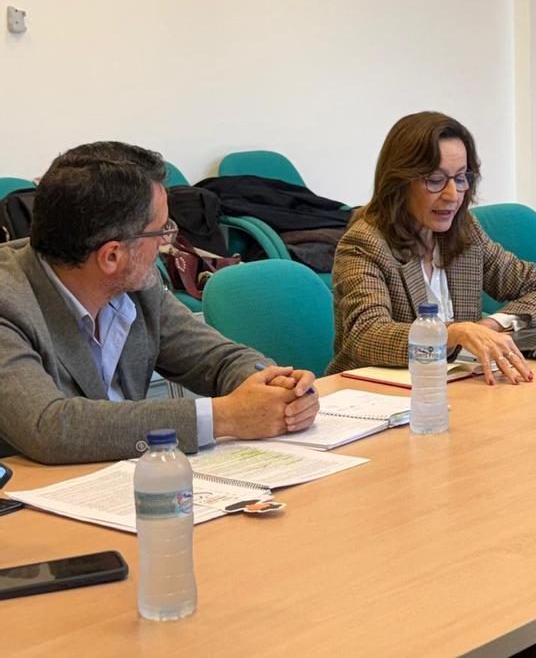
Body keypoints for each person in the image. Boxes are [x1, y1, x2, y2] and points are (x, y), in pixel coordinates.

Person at [0, 142, 319, 465]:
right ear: (112, 256)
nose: (167, 244)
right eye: (161, 231)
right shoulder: (8, 301)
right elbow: (49, 427)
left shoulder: (137, 284)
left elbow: (215, 359)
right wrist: (224, 416)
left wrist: (275, 388)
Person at [328, 111, 536, 383]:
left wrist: (488, 326)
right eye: (435, 180)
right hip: (376, 393)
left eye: (461, 178)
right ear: (399, 182)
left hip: (459, 385)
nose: (452, 195)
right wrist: (453, 334)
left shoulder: (465, 232)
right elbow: (367, 336)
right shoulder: (365, 243)